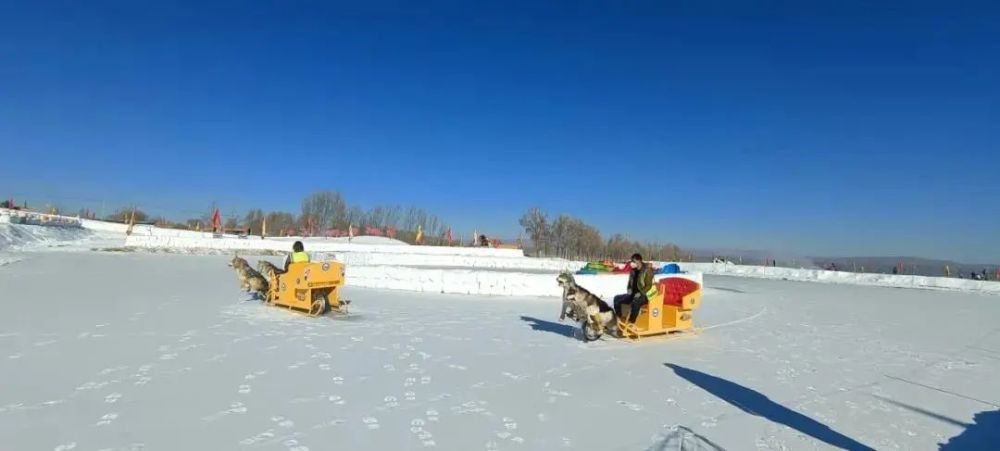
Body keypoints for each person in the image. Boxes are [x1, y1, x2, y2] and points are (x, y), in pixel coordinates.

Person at [613, 253, 657, 325]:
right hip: (633, 294)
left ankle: (632, 322)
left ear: (639, 261)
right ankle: (620, 318)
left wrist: (640, 292)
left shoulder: (647, 271)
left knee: (635, 302)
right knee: (617, 299)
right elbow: (630, 282)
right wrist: (629, 288)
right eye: (631, 261)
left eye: (633, 261)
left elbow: (649, 286)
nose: (632, 263)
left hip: (644, 295)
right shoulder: (633, 270)